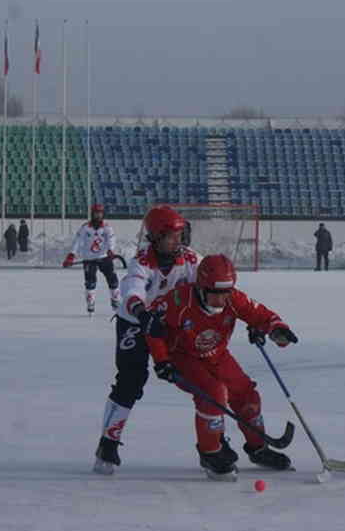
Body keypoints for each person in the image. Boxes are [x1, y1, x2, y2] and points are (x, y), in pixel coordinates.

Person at [146, 254, 299, 481]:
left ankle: (258, 448)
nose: (221, 299)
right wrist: (161, 360)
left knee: (247, 394)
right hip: (183, 357)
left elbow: (261, 315)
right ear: (201, 287)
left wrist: (276, 330)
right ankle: (210, 452)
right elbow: (153, 329)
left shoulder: (233, 299)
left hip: (217, 355)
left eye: (226, 292)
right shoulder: (179, 300)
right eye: (215, 293)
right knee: (213, 393)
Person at [92, 205, 200, 474]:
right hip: (134, 324)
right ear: (156, 237)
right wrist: (142, 313)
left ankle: (214, 444)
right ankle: (108, 442)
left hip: (169, 324)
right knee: (131, 380)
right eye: (172, 235)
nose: (178, 240)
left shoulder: (190, 259)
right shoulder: (142, 262)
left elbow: (209, 279)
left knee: (201, 373)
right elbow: (132, 292)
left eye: (180, 234)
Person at [62, 204, 119, 314]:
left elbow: (111, 240)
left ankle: (115, 300)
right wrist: (71, 255)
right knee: (90, 283)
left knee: (113, 280)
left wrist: (110, 250)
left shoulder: (107, 227)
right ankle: (90, 304)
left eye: (100, 213)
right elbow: (77, 241)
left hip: (104, 257)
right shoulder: (85, 227)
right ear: (92, 214)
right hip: (89, 258)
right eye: (96, 213)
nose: (98, 215)